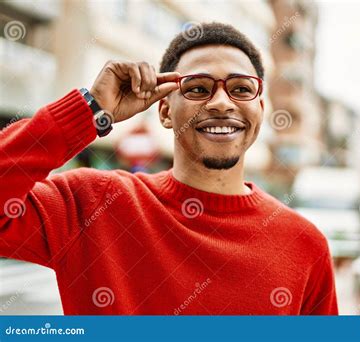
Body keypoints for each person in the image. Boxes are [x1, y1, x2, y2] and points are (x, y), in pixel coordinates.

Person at [0, 22, 338, 315]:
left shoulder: (305, 246)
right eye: (197, 89)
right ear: (164, 111)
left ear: (260, 111)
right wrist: (91, 108)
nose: (221, 102)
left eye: (240, 89)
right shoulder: (90, 203)